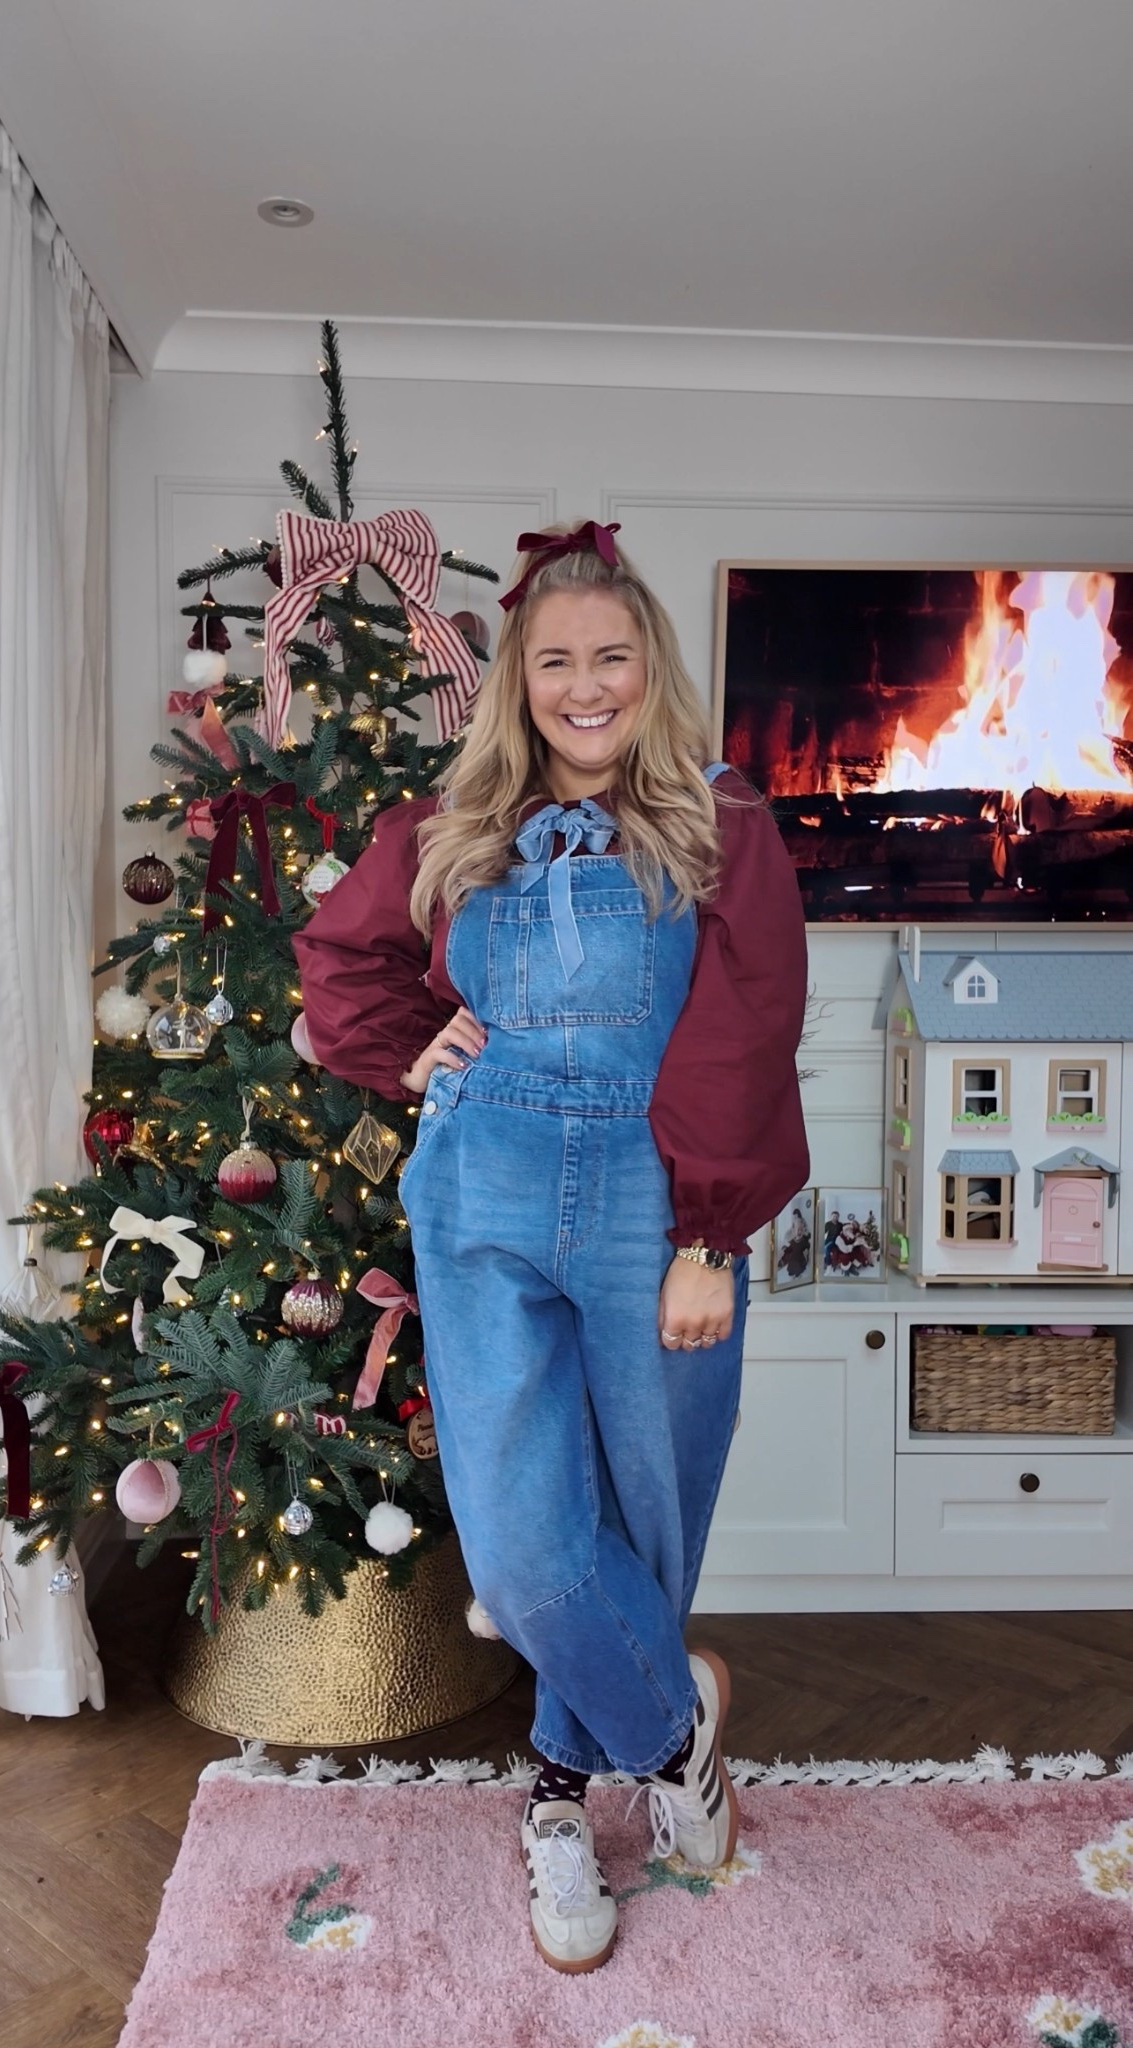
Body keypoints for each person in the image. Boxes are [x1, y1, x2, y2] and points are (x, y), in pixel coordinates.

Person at [293, 520, 809, 1975]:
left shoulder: (724, 827)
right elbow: (338, 968)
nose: (585, 688)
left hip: (661, 1207)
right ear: (518, 681)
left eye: (612, 661)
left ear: (654, 674)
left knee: (645, 1523)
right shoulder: (445, 826)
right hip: (481, 1200)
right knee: (524, 1553)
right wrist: (412, 1047)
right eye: (556, 664)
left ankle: (561, 1796)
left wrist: (711, 1236)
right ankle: (673, 1733)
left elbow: (747, 1033)